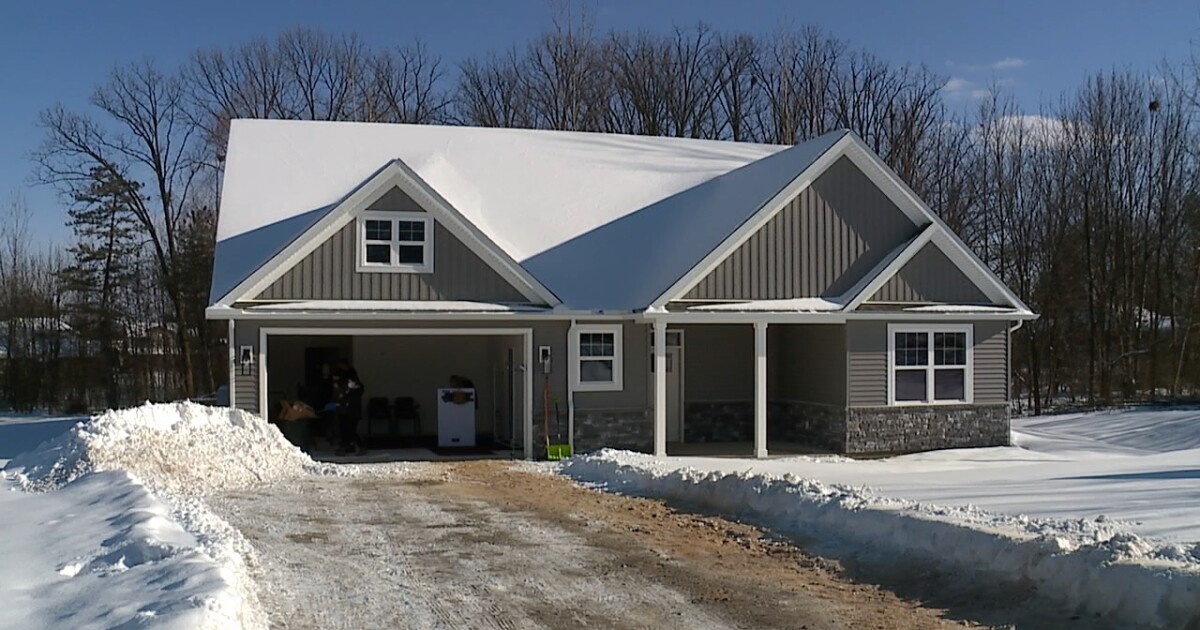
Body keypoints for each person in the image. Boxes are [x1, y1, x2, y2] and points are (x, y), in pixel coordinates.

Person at [333, 362, 365, 455]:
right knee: (346, 431)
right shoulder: (347, 385)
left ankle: (358, 446)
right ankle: (347, 447)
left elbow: (347, 397)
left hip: (350, 411)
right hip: (346, 411)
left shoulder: (354, 386)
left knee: (350, 431)